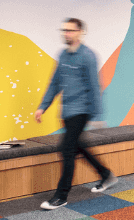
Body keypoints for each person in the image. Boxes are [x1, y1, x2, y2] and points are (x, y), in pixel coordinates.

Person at [35, 18, 118, 209]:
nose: (66, 34)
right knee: (77, 146)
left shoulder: (88, 56)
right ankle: (106, 175)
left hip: (82, 110)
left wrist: (97, 115)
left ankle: (61, 196)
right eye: (65, 30)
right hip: (67, 111)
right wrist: (43, 106)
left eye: (71, 31)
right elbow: (54, 83)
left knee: (67, 149)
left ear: (81, 32)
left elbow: (95, 86)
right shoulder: (63, 56)